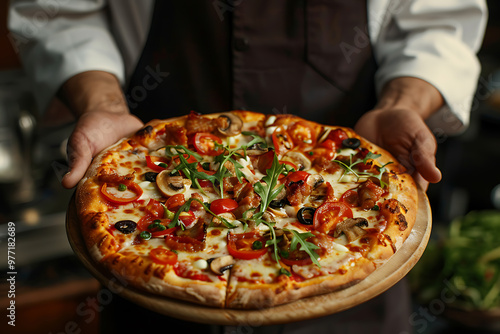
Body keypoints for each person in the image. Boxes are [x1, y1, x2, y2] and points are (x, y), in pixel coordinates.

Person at [8, 1, 487, 333]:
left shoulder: (374, 224)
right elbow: (62, 11)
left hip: (351, 299)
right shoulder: (124, 199)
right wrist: (104, 103)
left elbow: (437, 20)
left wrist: (402, 101)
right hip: (159, 304)